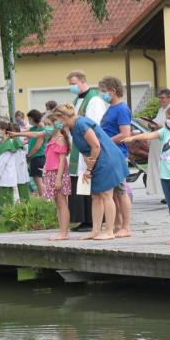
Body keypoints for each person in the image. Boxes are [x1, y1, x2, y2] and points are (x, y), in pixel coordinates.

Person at [51, 103, 128, 241]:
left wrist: (88, 169)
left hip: (106, 159)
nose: (57, 123)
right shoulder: (73, 127)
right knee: (95, 196)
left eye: (58, 119)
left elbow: (96, 146)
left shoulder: (81, 124)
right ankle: (95, 230)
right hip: (97, 160)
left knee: (106, 194)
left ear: (63, 117)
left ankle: (109, 231)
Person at [124, 105, 170, 245]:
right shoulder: (165, 132)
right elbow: (149, 135)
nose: (167, 121)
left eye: (169, 118)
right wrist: (133, 138)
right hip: (165, 175)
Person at [67, 70, 108, 232]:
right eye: (70, 84)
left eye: (73, 84)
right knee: (78, 184)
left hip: (87, 147)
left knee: (89, 184)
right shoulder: (77, 100)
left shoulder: (94, 100)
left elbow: (94, 124)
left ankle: (92, 220)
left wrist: (88, 150)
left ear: (83, 82)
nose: (71, 87)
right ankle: (83, 219)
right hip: (76, 147)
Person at [99, 76, 132, 238]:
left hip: (118, 154)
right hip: (109, 154)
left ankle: (126, 226)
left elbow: (125, 134)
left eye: (104, 91)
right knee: (115, 193)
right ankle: (118, 224)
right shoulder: (110, 108)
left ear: (113, 90)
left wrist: (104, 142)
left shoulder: (121, 109)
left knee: (120, 191)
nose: (102, 95)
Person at [41, 114, 72, 240]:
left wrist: (58, 179)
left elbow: (62, 161)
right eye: (45, 125)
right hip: (51, 173)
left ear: (56, 125)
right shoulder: (52, 139)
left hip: (58, 174)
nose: (46, 127)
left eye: (48, 124)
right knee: (58, 204)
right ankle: (62, 231)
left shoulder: (60, 139)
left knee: (62, 203)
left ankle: (64, 233)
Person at [0, 121, 22, 218]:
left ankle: (8, 215)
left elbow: (3, 162)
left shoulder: (8, 143)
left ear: (4, 130)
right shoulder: (1, 142)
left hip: (5, 175)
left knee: (6, 197)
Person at [146, 88, 170, 202]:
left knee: (166, 168)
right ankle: (164, 193)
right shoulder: (161, 110)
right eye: (160, 98)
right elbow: (157, 122)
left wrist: (159, 126)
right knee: (159, 168)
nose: (161, 100)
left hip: (166, 143)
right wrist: (151, 124)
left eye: (163, 98)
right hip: (157, 143)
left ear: (169, 98)